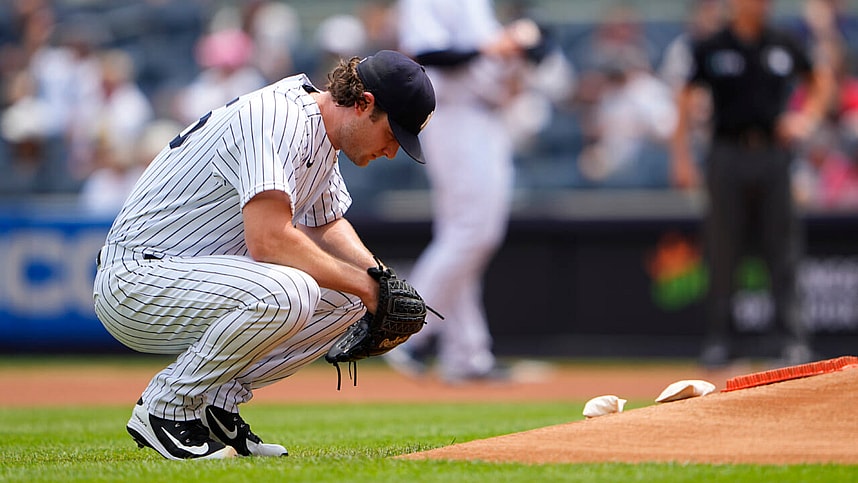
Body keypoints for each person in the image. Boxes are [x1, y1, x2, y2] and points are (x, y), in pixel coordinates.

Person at [92, 50, 435, 460]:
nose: (393, 151)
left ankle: (216, 403)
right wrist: (368, 287)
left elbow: (327, 224)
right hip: (136, 279)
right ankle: (166, 407)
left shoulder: (320, 133)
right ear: (364, 103)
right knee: (290, 290)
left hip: (188, 276)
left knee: (346, 299)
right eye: (393, 134)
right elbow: (269, 242)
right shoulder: (278, 118)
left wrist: (377, 278)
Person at [671, 0, 833, 368]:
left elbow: (820, 79)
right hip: (727, 153)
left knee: (783, 247)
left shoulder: (784, 42)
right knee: (722, 249)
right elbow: (685, 96)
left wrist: (805, 117)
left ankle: (792, 341)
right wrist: (680, 155)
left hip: (774, 155)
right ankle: (720, 341)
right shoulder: (712, 45)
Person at [385, 0, 537, 383]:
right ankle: (405, 330)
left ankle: (466, 354)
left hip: (486, 115)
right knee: (473, 233)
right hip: (453, 115)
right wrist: (494, 47)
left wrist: (520, 48)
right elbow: (428, 52)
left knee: (462, 237)